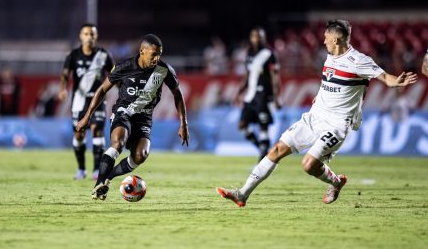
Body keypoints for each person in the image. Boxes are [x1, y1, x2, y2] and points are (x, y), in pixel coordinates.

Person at [216, 20, 418, 207]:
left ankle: (336, 182)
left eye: (326, 37)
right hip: (314, 116)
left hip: (337, 123)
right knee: (276, 149)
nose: (323, 41)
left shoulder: (359, 61)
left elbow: (385, 77)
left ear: (336, 39)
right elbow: (328, 83)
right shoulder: (330, 56)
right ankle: (242, 194)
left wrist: (396, 81)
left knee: (308, 165)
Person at [76, 34, 189, 201]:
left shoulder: (164, 70)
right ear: (142, 51)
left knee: (140, 155)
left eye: (159, 54)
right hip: (124, 112)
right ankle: (99, 185)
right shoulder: (124, 66)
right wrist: (87, 117)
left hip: (144, 118)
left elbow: (177, 95)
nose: (156, 58)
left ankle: (108, 178)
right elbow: (102, 90)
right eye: (153, 54)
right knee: (118, 143)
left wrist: (183, 123)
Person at [58, 23, 114, 180]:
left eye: (92, 34)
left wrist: (120, 87)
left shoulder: (103, 55)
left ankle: (97, 170)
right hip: (79, 102)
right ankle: (81, 169)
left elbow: (114, 73)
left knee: (97, 131)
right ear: (80, 36)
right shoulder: (73, 55)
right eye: (86, 34)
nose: (89, 37)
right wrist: (63, 89)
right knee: (79, 135)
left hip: (98, 101)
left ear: (96, 37)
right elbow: (65, 75)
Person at [234, 27, 281, 162]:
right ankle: (262, 148)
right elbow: (247, 74)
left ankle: (263, 157)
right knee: (242, 125)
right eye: (254, 36)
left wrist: (277, 97)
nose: (257, 39)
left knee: (263, 127)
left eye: (259, 36)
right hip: (250, 96)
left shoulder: (269, 54)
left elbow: (274, 77)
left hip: (264, 95)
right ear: (251, 38)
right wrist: (239, 92)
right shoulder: (249, 53)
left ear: (263, 38)